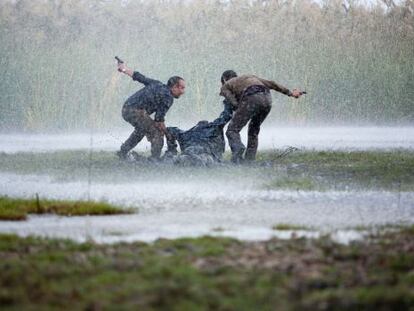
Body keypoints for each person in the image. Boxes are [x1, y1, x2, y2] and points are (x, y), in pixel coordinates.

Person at [219, 70, 303, 163]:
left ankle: (238, 151)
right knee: (253, 130)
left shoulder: (226, 86)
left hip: (251, 98)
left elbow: (233, 102)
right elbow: (273, 84)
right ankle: (249, 160)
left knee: (232, 130)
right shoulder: (250, 76)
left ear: (224, 79)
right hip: (267, 100)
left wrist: (238, 109)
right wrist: (290, 93)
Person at [116, 61, 185, 160]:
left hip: (126, 108)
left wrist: (123, 69)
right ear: (174, 87)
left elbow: (139, 77)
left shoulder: (157, 84)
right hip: (135, 111)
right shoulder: (168, 97)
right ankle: (154, 160)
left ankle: (123, 152)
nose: (183, 91)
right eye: (181, 88)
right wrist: (168, 134)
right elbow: (158, 120)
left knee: (141, 131)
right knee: (157, 133)